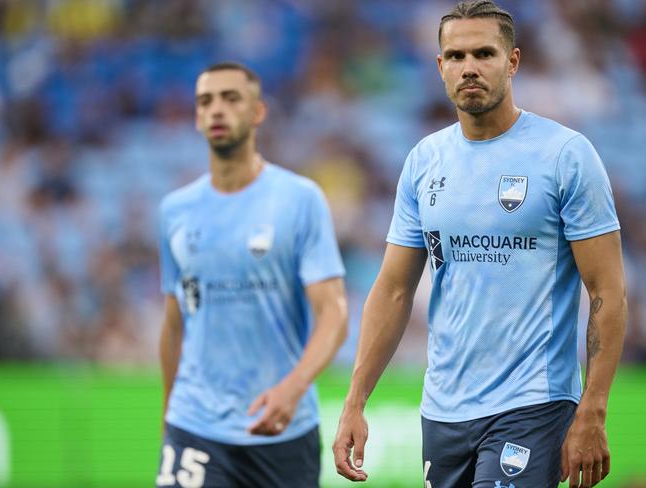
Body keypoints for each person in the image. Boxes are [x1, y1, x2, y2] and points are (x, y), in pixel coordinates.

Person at [333, 2, 627, 488]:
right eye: (455, 55)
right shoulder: (424, 161)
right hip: (443, 410)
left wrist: (592, 411)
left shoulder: (565, 155)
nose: (469, 67)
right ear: (440, 66)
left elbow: (607, 292)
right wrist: (354, 402)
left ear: (512, 61)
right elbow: (392, 291)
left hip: (533, 403)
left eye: (484, 53)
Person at [156, 62, 348, 488]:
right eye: (206, 101)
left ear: (258, 112)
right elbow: (174, 325)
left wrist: (293, 388)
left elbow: (333, 313)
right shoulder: (175, 211)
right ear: (196, 117)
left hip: (283, 429)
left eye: (230, 98)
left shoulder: (299, 200)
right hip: (195, 425)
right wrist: (170, 417)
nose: (216, 110)